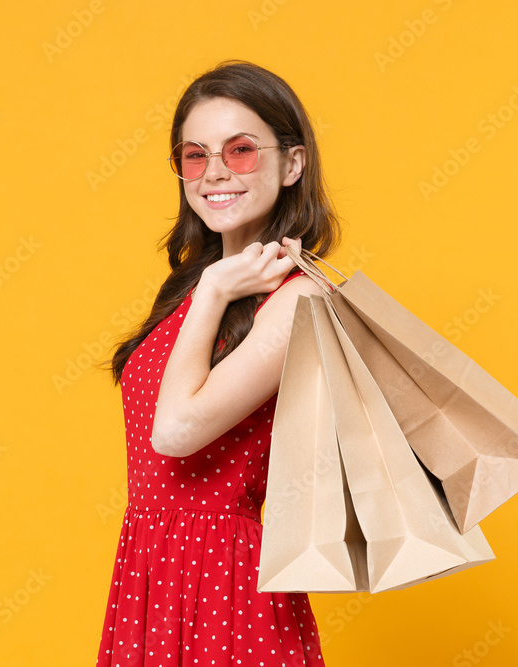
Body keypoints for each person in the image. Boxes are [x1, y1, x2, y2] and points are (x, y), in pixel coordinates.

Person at [96, 59, 342, 666]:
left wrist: (212, 292)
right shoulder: (198, 288)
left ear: (292, 163)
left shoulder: (299, 299)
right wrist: (211, 288)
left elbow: (176, 432)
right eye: (194, 155)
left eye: (239, 151)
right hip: (150, 569)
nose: (213, 174)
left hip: (226, 585)